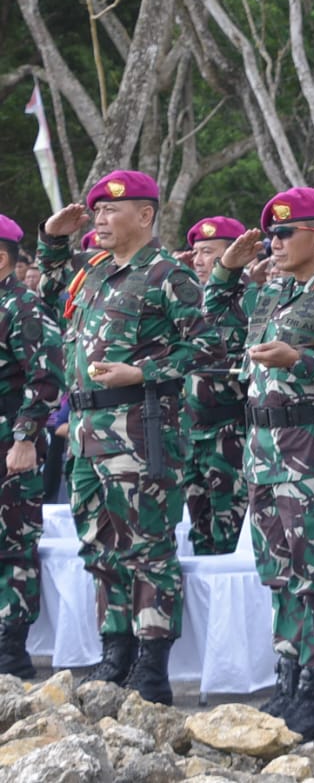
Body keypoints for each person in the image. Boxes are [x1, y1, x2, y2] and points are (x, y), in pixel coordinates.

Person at [38, 170, 223, 704]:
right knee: (100, 544)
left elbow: (208, 347)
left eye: (110, 211)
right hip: (88, 431)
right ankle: (114, 648)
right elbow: (50, 293)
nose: (99, 220)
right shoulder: (95, 273)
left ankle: (151, 663)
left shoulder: (169, 275)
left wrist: (143, 373)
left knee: (147, 547)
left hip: (140, 428)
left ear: (145, 216)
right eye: (95, 212)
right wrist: (53, 240)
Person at [204, 187, 314, 739]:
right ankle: (286, 676)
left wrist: (300, 359)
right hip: (263, 453)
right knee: (279, 573)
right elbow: (212, 316)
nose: (274, 242)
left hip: (310, 452)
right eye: (271, 234)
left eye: (284, 233)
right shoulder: (270, 294)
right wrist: (228, 269)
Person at [0, 214, 64, 676]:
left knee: (14, 546)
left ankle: (11, 648)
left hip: (10, 445)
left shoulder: (22, 307)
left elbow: (46, 376)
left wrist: (25, 438)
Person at [182, 216, 250, 555]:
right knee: (200, 537)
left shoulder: (252, 300)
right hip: (191, 436)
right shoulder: (187, 300)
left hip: (232, 435)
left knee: (231, 537)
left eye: (208, 252)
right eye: (195, 252)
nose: (198, 260)